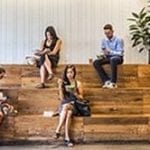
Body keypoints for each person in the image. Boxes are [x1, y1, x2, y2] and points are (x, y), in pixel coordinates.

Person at [55, 65, 83, 147]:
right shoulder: (63, 83)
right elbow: (62, 98)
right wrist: (60, 86)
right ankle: (67, 138)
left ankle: (58, 129)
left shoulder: (78, 83)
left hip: (75, 105)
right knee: (68, 112)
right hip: (64, 105)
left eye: (71, 72)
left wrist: (75, 93)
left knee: (68, 107)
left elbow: (81, 98)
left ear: (74, 73)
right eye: (67, 72)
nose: (69, 74)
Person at [93, 24, 124, 88]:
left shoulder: (119, 39)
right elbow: (103, 50)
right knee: (96, 62)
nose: (107, 35)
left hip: (118, 58)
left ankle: (113, 83)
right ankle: (106, 80)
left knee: (113, 59)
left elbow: (120, 53)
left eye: (108, 33)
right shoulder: (104, 40)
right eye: (105, 33)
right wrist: (102, 54)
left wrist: (110, 52)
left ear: (112, 31)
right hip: (108, 57)